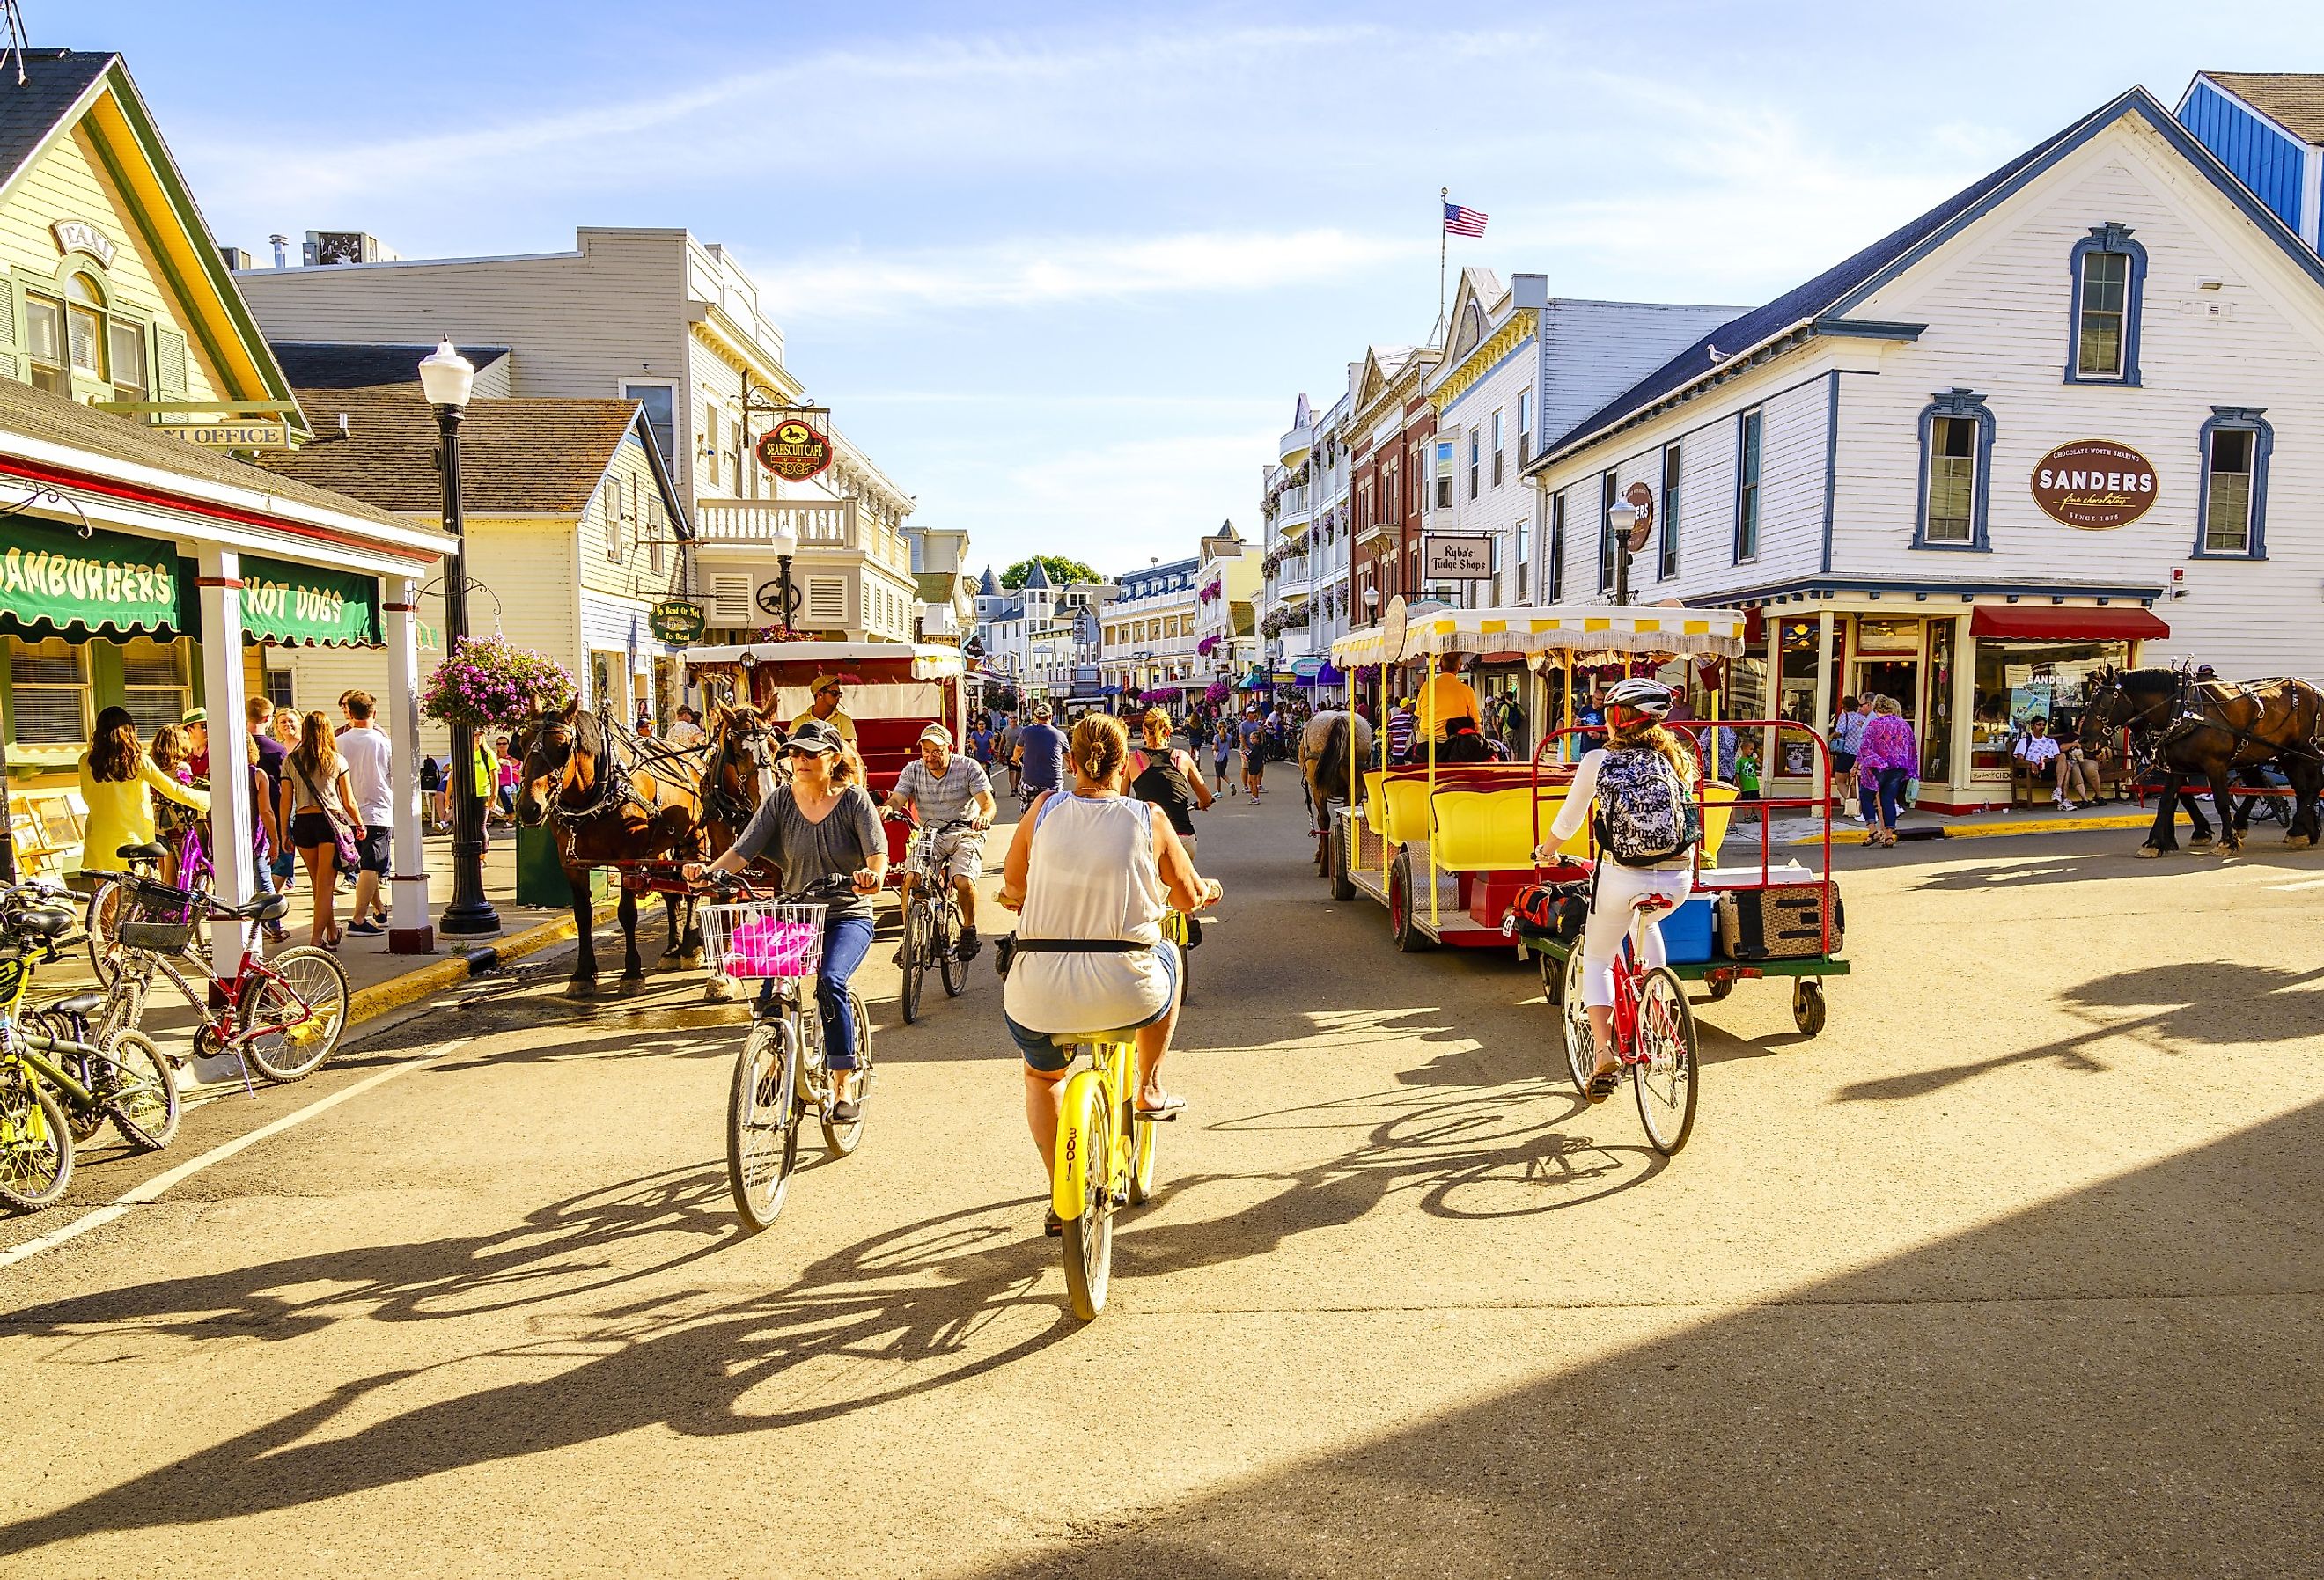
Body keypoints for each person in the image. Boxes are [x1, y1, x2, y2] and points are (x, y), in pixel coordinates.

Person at [997, 713, 1220, 1234]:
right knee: (1168, 955)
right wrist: (1205, 891)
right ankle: (1148, 1085)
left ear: (1069, 763)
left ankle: (1061, 1193)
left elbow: (1013, 883)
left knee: (1042, 1075)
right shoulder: (1150, 820)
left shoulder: (1042, 811)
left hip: (1039, 992)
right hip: (1127, 990)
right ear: (1126, 767)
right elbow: (1186, 898)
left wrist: (1021, 898)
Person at [691, 718, 885, 1122]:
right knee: (771, 992)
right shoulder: (780, 800)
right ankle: (778, 1059)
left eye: (811, 753)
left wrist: (871, 876)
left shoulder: (855, 801)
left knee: (831, 982)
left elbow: (876, 855)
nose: (800, 759)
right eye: (795, 752)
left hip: (846, 913)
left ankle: (842, 1082)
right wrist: (710, 873)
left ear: (833, 759)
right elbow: (742, 851)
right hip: (795, 911)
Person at [1530, 677, 1700, 1100]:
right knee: (1649, 922)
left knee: (1600, 956)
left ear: (1616, 720)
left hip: (1623, 875)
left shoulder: (1597, 760)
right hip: (1679, 878)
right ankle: (1658, 1002)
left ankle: (1605, 1052)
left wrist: (1545, 852)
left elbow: (1568, 822)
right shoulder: (1675, 759)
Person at [883, 724, 996, 962]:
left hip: (965, 832)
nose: (930, 757)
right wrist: (888, 808)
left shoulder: (968, 767)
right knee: (911, 877)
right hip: (929, 835)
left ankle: (968, 929)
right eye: (925, 751)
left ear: (950, 748)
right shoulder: (913, 770)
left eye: (937, 751)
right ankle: (909, 939)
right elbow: (897, 798)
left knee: (962, 880)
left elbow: (988, 804)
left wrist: (983, 817)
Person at [77, 707, 210, 878]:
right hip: (133, 840)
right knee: (132, 898)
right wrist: (206, 799)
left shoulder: (85, 761)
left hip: (98, 838)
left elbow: (87, 796)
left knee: (105, 899)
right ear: (130, 731)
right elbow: (172, 790)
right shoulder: (138, 761)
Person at [284, 710, 366, 950]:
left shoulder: (291, 760)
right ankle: (315, 939)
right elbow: (348, 800)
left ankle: (331, 932)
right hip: (329, 823)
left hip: (303, 822)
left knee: (317, 884)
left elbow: (285, 800)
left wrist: (282, 833)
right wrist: (359, 824)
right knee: (325, 886)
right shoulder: (336, 760)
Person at [332, 691, 394, 937]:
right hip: (377, 809)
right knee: (372, 865)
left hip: (346, 810)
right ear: (374, 713)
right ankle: (358, 919)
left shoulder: (339, 743)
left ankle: (378, 909)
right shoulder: (383, 743)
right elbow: (394, 776)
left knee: (367, 864)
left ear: (350, 714)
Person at [1129, 707, 1214, 863]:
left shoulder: (1133, 760)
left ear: (1143, 730)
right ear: (1168, 732)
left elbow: (1121, 800)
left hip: (1152, 839)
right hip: (1183, 838)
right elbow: (1207, 798)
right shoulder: (1182, 757)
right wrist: (1202, 803)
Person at [1857, 695, 1917, 847]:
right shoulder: (1904, 725)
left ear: (1876, 709)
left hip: (1876, 767)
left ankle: (1872, 830)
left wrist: (1860, 764)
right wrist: (1911, 771)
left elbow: (1865, 748)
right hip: (1898, 768)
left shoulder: (1873, 724)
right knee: (1888, 800)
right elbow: (1912, 749)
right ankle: (1889, 835)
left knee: (1866, 797)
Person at [1015, 701, 1068, 799]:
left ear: (1036, 717)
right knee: (1053, 812)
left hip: (1030, 783)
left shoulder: (1026, 732)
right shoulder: (1059, 735)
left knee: (1028, 813)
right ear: (1051, 716)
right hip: (1052, 785)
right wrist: (1071, 768)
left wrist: (1015, 759)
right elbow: (1069, 757)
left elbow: (1018, 750)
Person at [790, 674, 857, 745]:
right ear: (820, 695)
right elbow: (792, 750)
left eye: (839, 694)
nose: (838, 697)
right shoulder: (798, 722)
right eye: (834, 693)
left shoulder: (844, 721)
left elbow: (851, 750)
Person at [2013, 715, 2062, 805]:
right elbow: (2019, 761)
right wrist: (2032, 763)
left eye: (2044, 725)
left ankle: (2058, 790)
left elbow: (2058, 758)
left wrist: (2050, 759)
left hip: (2051, 767)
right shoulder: (2025, 741)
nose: (2042, 727)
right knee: (2067, 769)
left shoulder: (2050, 741)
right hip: (2035, 770)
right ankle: (2063, 797)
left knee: (2064, 760)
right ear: (2032, 726)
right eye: (2039, 724)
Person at [1238, 705, 1269, 797]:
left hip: (1256, 748)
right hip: (1246, 748)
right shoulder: (1243, 724)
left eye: (1255, 712)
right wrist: (1247, 749)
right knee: (1246, 767)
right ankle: (1245, 786)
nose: (1255, 714)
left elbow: (1261, 736)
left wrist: (1262, 731)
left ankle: (1258, 784)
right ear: (1248, 714)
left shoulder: (1256, 724)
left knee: (1260, 766)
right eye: (1252, 713)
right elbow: (1242, 738)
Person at [996, 713, 1023, 797]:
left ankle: (1016, 785)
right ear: (1008, 720)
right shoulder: (1005, 730)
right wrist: (1000, 754)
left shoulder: (1022, 729)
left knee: (1019, 771)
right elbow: (1002, 742)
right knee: (1011, 771)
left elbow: (1025, 742)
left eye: (1015, 718)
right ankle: (1013, 788)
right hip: (1009, 753)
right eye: (1011, 718)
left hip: (1020, 754)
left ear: (1017, 719)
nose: (1013, 720)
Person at [1385, 696, 1416, 767]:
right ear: (1407, 706)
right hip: (1408, 752)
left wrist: (1394, 747)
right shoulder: (1410, 719)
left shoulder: (1394, 719)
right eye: (1411, 705)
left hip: (1396, 751)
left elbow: (1390, 737)